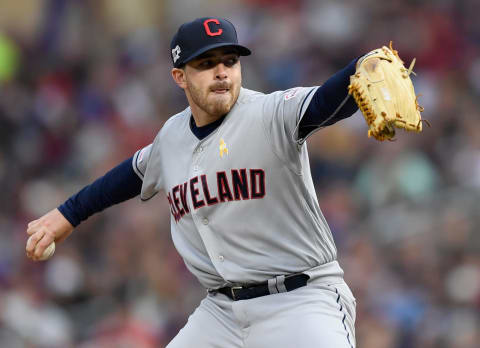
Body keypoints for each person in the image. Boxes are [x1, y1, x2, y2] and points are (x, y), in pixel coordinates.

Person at [26, 17, 360, 347]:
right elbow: (129, 175)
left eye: (230, 61)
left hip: (300, 301)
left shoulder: (270, 113)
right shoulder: (171, 137)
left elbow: (321, 102)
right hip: (223, 313)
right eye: (206, 63)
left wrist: (360, 69)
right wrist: (68, 214)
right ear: (179, 76)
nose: (221, 72)